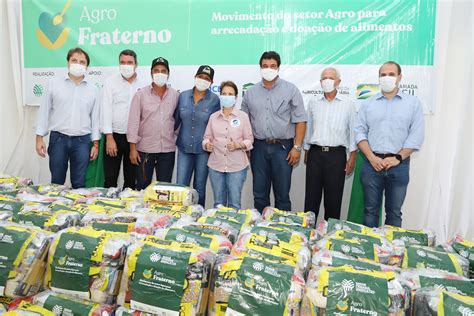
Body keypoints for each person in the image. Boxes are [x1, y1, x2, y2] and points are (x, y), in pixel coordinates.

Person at [354, 61, 424, 228]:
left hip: (399, 165)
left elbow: (416, 135)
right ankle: (370, 251)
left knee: (394, 212)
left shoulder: (413, 103)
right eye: (383, 74)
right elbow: (359, 132)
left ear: (399, 77)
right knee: (370, 211)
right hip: (372, 164)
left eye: (391, 74)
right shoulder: (368, 103)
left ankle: (391, 252)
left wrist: (397, 158)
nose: (387, 78)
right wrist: (371, 158)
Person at [241, 51, 307, 213]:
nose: (268, 69)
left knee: (282, 195)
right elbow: (243, 121)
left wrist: (297, 147)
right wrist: (246, 146)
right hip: (258, 148)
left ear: (278, 68)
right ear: (260, 68)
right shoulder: (250, 92)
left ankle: (282, 232)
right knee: (260, 195)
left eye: (272, 66)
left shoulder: (291, 90)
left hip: (283, 149)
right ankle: (259, 232)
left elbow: (301, 120)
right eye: (265, 66)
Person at [35, 47, 100, 189]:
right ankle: (56, 210)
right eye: (74, 60)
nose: (78, 64)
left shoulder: (93, 89)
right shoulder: (53, 84)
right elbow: (44, 111)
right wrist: (39, 138)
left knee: (79, 184)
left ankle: (77, 211)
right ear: (68, 62)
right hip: (58, 139)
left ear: (87, 66)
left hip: (82, 142)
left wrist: (95, 144)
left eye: (82, 62)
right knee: (57, 182)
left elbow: (95, 119)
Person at [304, 67, 357, 220]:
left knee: (333, 201)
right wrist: (307, 151)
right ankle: (307, 236)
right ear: (320, 82)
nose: (327, 81)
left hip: (337, 156)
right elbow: (309, 129)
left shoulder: (348, 104)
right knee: (311, 200)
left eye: (331, 78)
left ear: (338, 82)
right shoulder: (313, 103)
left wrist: (352, 157)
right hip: (315, 154)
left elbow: (353, 132)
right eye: (324, 78)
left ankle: (329, 239)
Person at [127, 57, 179, 190]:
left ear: (168, 74)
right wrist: (133, 149)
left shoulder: (175, 95)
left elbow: (177, 120)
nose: (160, 74)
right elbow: (133, 123)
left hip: (167, 151)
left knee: (164, 189)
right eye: (156, 71)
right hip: (145, 151)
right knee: (142, 188)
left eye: (163, 71)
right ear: (151, 73)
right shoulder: (140, 95)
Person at [101, 49, 147, 189]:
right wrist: (109, 137)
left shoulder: (145, 83)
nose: (126, 65)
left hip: (135, 140)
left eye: (129, 62)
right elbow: (106, 109)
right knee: (110, 180)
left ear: (136, 64)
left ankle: (127, 211)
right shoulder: (110, 82)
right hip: (114, 137)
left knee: (131, 181)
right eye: (122, 62)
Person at [203, 81, 254, 209]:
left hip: (237, 166)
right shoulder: (213, 117)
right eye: (224, 93)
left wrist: (239, 145)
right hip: (216, 166)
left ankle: (233, 228)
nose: (227, 96)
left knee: (234, 204)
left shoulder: (243, 117)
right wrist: (206, 145)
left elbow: (249, 139)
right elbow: (206, 138)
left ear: (235, 97)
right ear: (220, 95)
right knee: (218, 204)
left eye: (230, 94)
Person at [175, 65, 220, 206]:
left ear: (211, 82)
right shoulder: (182, 96)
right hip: (184, 149)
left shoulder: (215, 100)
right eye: (200, 77)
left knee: (199, 187)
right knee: (181, 186)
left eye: (207, 78)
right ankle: (179, 217)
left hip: (203, 151)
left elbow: (216, 126)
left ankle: (197, 217)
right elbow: (175, 121)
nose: (202, 80)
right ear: (195, 77)